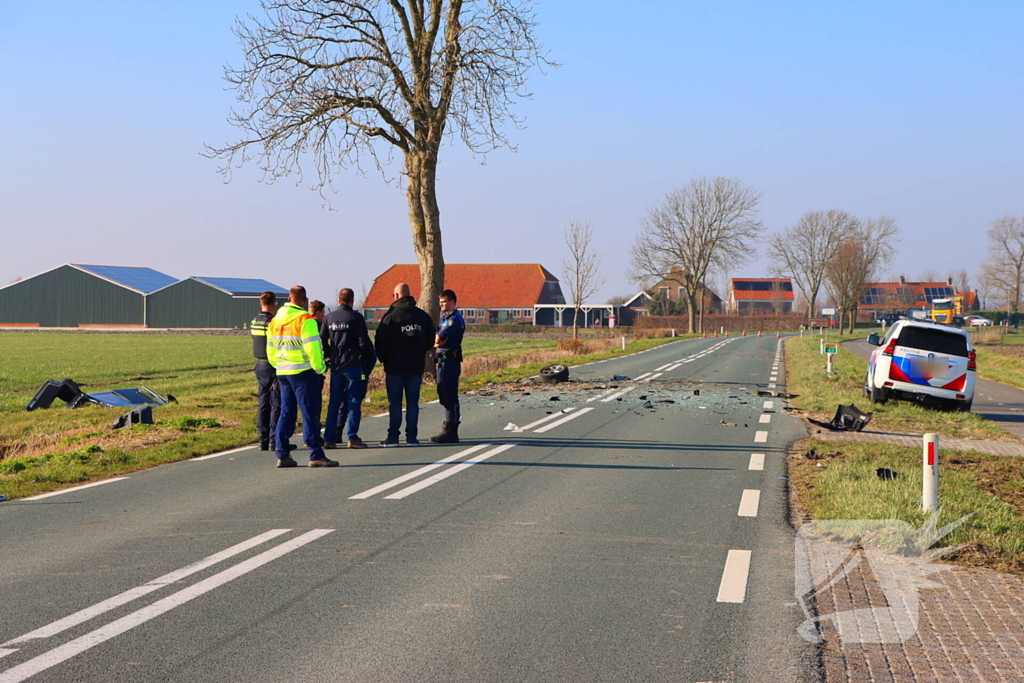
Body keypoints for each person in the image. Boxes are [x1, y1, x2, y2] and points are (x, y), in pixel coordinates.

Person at [267, 286, 337, 468]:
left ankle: (282, 453)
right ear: (305, 300)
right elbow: (313, 348)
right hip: (303, 372)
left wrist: (279, 365)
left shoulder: (275, 321)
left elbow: (270, 350)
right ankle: (315, 454)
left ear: (288, 299)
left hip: (282, 371)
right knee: (309, 413)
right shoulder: (306, 320)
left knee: (286, 412)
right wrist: (320, 368)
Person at [374, 282, 435, 446]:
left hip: (394, 367)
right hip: (415, 366)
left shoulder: (390, 317)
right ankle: (412, 437)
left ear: (396, 296)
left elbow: (380, 341)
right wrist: (421, 352)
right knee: (413, 403)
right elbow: (430, 339)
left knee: (395, 403)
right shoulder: (422, 316)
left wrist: (384, 359)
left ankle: (393, 436)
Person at [323, 288, 376, 449]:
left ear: (338, 300)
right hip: (352, 365)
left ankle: (329, 438)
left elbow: (321, 340)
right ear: (352, 301)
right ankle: (352, 437)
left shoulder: (329, 318)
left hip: (336, 366)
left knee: (334, 402)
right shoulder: (356, 317)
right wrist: (365, 363)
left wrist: (330, 355)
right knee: (353, 401)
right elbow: (363, 342)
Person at [430, 289, 465, 444]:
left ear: (452, 302)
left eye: (444, 302)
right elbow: (437, 339)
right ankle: (449, 426)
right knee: (443, 393)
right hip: (442, 361)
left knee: (449, 394)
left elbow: (439, 339)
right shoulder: (444, 318)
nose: (442, 305)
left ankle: (451, 430)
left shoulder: (454, 319)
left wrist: (437, 341)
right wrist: (437, 341)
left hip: (449, 360)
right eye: (440, 302)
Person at [251, 291, 281, 451]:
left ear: (260, 303)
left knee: (263, 401)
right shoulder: (273, 322)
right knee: (276, 402)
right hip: (272, 364)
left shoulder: (254, 321)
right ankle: (274, 440)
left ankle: (262, 439)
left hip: (260, 365)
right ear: (274, 304)